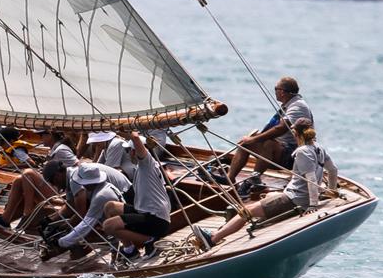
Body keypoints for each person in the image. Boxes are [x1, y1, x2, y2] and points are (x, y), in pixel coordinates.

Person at [194, 118, 338, 250]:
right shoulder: (319, 148)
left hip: (294, 199)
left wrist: (313, 205)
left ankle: (213, 239)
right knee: (268, 194)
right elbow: (333, 170)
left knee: (246, 211)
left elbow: (311, 179)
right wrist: (331, 191)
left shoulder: (302, 152)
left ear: (296, 133)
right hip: (297, 196)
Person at [226, 76, 314, 194]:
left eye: (276, 88)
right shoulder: (288, 104)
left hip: (295, 154)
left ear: (282, 92)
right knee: (244, 143)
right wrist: (251, 139)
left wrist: (254, 140)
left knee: (268, 144)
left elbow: (281, 128)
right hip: (283, 150)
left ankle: (253, 181)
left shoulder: (298, 106)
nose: (275, 92)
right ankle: (229, 179)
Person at [102, 131, 171, 259]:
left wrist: (117, 129)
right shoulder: (140, 168)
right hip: (145, 212)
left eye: (128, 151)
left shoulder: (147, 164)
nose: (127, 155)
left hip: (156, 219)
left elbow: (135, 138)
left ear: (135, 151)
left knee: (108, 226)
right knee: (110, 207)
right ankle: (130, 250)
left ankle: (150, 240)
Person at [47, 165, 123, 251]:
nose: (82, 185)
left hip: (127, 228)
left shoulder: (100, 197)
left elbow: (85, 226)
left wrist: (61, 241)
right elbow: (70, 206)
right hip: (122, 222)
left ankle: (125, 250)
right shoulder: (105, 187)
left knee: (102, 227)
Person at [42, 161, 132, 226]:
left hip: (126, 195)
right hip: (119, 194)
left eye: (52, 181)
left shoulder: (74, 179)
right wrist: (50, 220)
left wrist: (62, 228)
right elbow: (70, 207)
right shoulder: (70, 176)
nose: (53, 185)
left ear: (57, 175)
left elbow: (81, 213)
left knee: (86, 221)